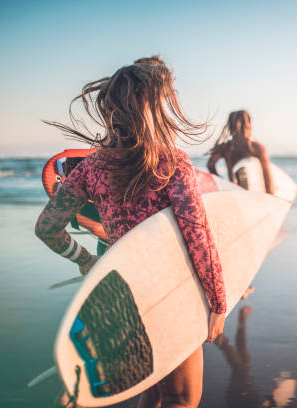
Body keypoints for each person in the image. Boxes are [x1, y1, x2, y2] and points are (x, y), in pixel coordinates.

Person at [35, 56, 225, 408]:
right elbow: (198, 237)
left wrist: (88, 260)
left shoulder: (91, 167)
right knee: (181, 398)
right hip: (169, 293)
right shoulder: (170, 162)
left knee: (152, 390)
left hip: (121, 295)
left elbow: (47, 228)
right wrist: (218, 303)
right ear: (153, 110)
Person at [206, 110, 274, 194]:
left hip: (235, 194)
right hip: (251, 195)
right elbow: (268, 181)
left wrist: (224, 184)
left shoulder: (226, 148)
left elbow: (210, 164)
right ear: (249, 125)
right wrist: (271, 198)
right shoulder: (256, 148)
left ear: (230, 127)